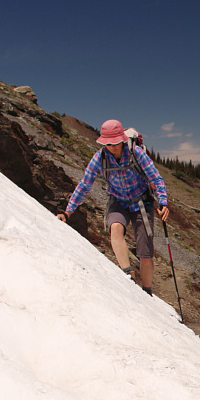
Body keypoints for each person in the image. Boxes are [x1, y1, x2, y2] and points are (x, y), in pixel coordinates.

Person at [58, 119, 170, 295]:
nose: (112, 147)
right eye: (108, 143)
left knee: (145, 254)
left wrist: (162, 201)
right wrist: (68, 212)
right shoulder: (100, 158)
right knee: (115, 228)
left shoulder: (137, 153)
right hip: (117, 201)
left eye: (115, 142)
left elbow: (156, 178)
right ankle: (128, 274)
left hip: (142, 202)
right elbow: (84, 185)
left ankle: (147, 291)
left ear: (122, 139)